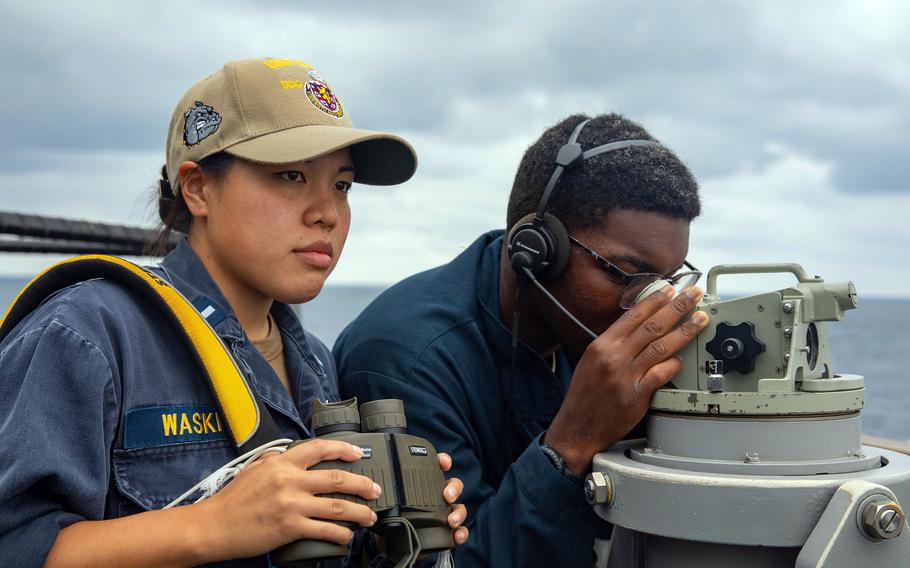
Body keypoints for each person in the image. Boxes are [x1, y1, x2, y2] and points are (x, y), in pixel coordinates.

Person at [0, 57, 468, 567]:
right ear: (198, 188)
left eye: (342, 185)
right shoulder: (89, 333)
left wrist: (389, 541)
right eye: (291, 175)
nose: (327, 213)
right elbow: (17, 545)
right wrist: (216, 525)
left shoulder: (313, 361)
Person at [334, 113, 709, 566]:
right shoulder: (406, 358)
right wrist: (569, 447)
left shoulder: (578, 330)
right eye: (628, 275)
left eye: (668, 281)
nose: (649, 304)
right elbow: (446, 563)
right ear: (535, 249)